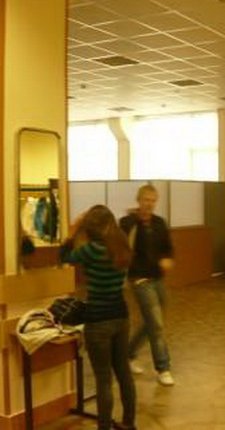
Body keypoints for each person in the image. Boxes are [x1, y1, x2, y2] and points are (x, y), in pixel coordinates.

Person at [60, 205, 136, 430]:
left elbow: (64, 258)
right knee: (124, 373)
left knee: (103, 380)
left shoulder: (91, 250)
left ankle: (103, 427)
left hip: (98, 321)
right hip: (121, 317)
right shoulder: (121, 246)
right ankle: (129, 423)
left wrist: (72, 231)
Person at [119, 184, 175, 386]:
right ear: (139, 200)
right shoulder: (128, 223)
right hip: (140, 280)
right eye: (146, 200)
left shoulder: (160, 223)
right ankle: (163, 368)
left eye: (152, 200)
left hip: (157, 279)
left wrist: (167, 259)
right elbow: (121, 245)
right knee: (156, 324)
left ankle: (128, 353)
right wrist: (135, 219)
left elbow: (168, 248)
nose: (149, 204)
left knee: (152, 322)